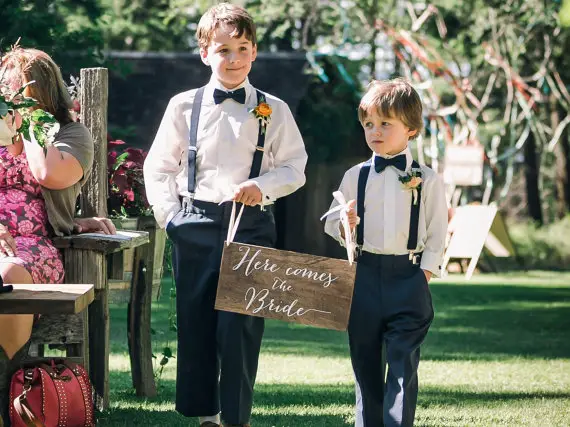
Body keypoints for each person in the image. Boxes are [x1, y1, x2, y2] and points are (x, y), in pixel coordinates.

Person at [144, 3, 307, 426]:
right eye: (223, 50)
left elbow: (294, 167)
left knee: (241, 327)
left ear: (254, 52)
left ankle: (236, 418)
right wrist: (172, 219)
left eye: (242, 48)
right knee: (196, 324)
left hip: (250, 225)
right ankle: (205, 417)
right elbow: (158, 167)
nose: (233, 59)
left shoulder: (276, 109)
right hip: (194, 222)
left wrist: (262, 186)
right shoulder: (183, 106)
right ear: (205, 54)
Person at [0, 46, 116, 426]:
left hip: (35, 249)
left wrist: (33, 125)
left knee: (7, 275)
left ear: (43, 94)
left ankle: (7, 392)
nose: (10, 99)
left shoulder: (71, 133)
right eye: (6, 90)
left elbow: (51, 175)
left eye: (19, 91)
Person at [324, 78, 448, 427]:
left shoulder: (427, 179)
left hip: (408, 279)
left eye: (385, 124)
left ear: (410, 128)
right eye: (368, 124)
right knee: (365, 365)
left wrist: (421, 277)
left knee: (401, 359)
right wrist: (345, 223)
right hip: (363, 277)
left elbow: (437, 234)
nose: (374, 131)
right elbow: (334, 228)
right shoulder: (355, 176)